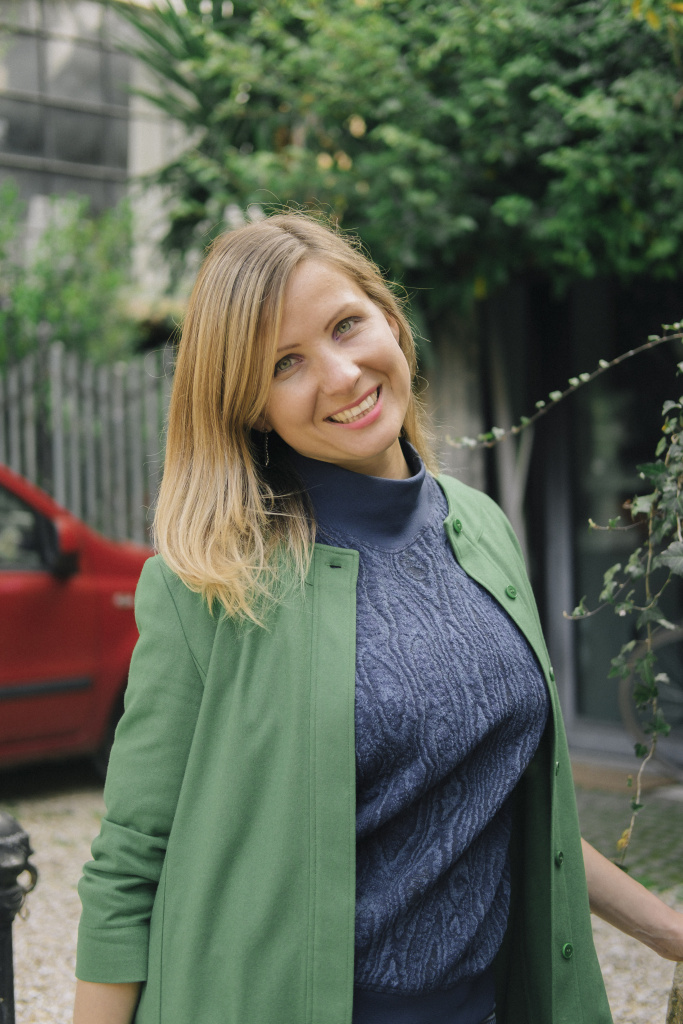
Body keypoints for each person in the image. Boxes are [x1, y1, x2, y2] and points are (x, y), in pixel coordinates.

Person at [74, 213, 683, 1024]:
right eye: (285, 363)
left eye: (345, 326)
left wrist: (667, 932)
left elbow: (508, 802)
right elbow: (129, 862)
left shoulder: (480, 529)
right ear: (252, 407)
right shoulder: (211, 583)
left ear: (390, 319)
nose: (339, 375)